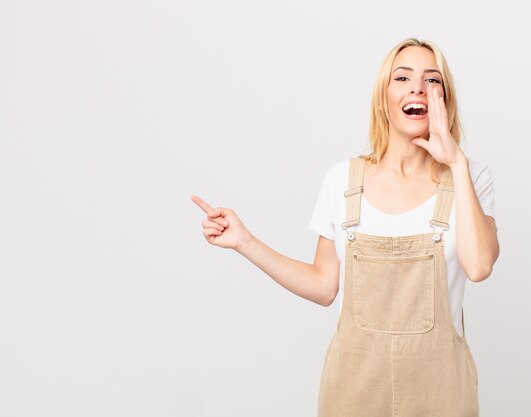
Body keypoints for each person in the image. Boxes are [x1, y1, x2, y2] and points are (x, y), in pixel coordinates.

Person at [191, 37, 499, 417]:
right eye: (402, 78)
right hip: (353, 394)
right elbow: (323, 286)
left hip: (442, 396)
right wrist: (245, 242)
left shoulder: (470, 178)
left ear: (445, 99)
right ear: (383, 98)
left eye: (432, 80)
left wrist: (457, 164)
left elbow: (479, 266)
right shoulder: (342, 181)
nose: (418, 87)